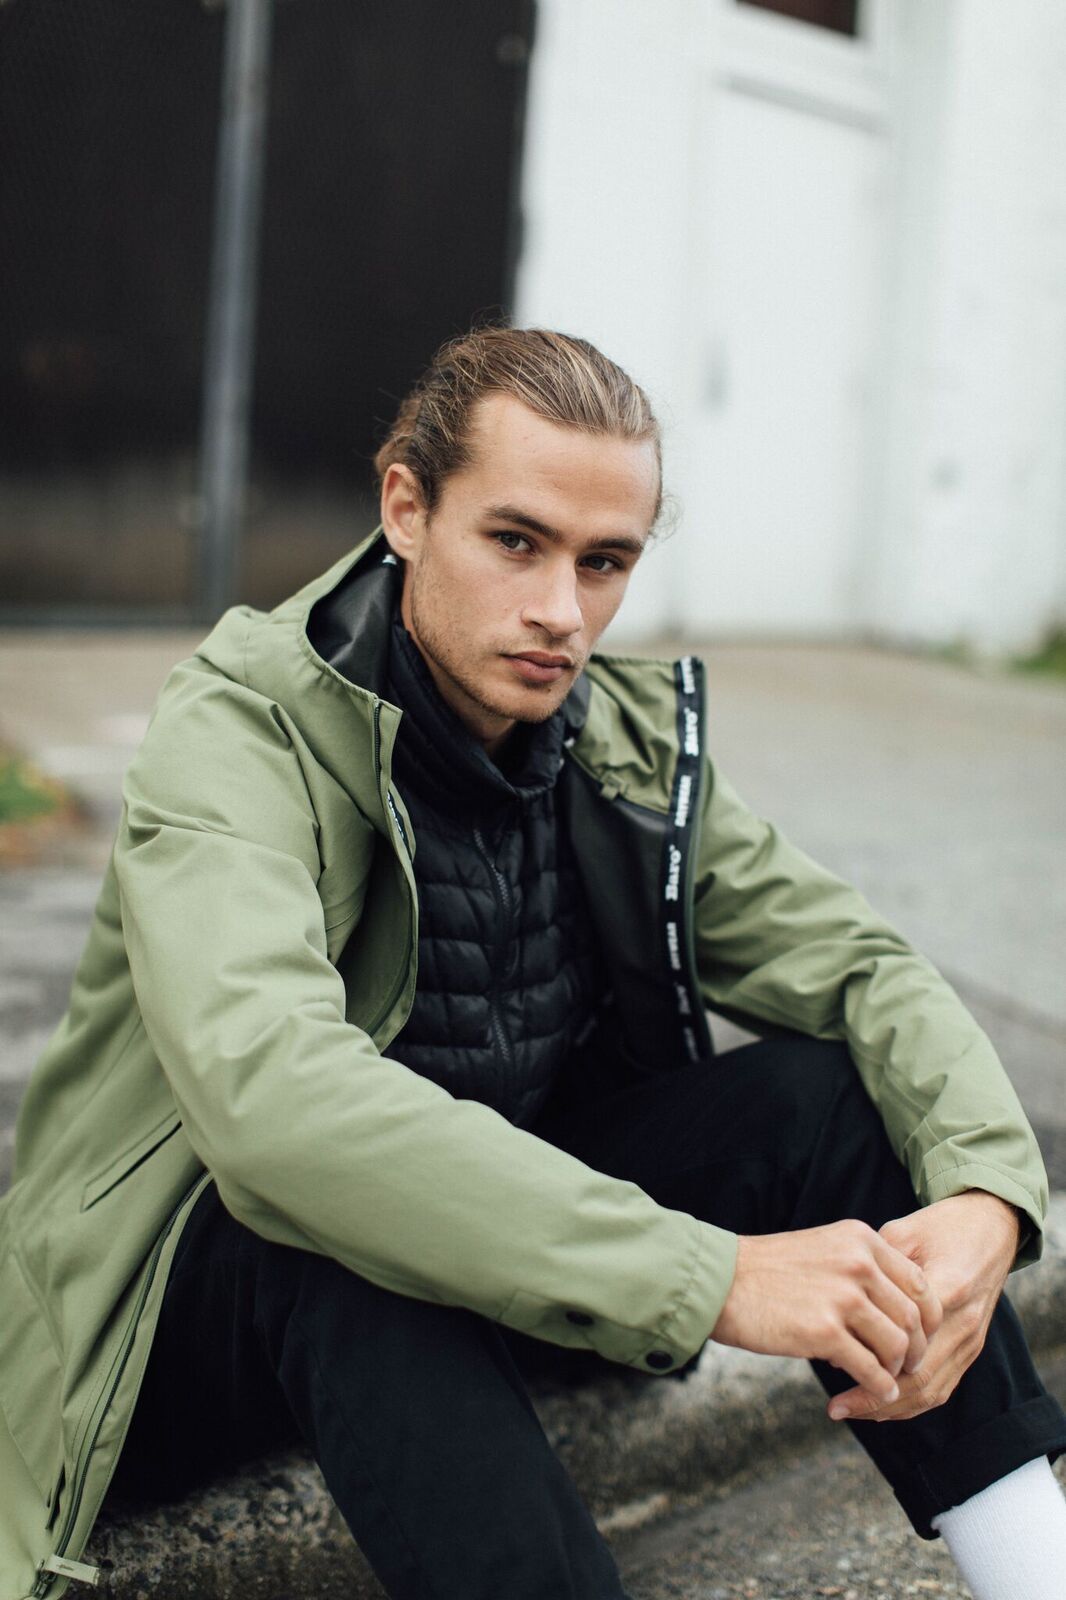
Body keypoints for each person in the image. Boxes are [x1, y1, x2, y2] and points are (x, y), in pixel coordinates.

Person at [1, 327, 1064, 1600]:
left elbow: (858, 964)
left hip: (497, 1261)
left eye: (603, 561)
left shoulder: (607, 743)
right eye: (516, 541)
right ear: (407, 507)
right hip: (172, 1322)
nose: (562, 611)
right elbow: (274, 1102)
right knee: (330, 1227)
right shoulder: (242, 730)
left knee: (829, 1097)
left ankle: (1034, 1573)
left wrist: (986, 1197)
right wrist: (714, 1275)